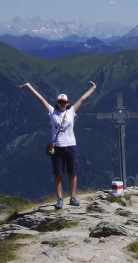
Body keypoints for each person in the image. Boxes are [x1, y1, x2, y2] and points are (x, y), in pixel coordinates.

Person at [19, 81, 97, 209]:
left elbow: (83, 99)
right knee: (58, 174)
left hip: (71, 146)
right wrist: (29, 86)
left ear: (67, 103)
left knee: (72, 173)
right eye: (60, 102)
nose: (62, 103)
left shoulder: (71, 111)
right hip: (58, 148)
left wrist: (93, 88)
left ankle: (73, 197)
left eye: (64, 102)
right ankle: (60, 199)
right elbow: (40, 98)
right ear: (57, 102)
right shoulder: (52, 112)